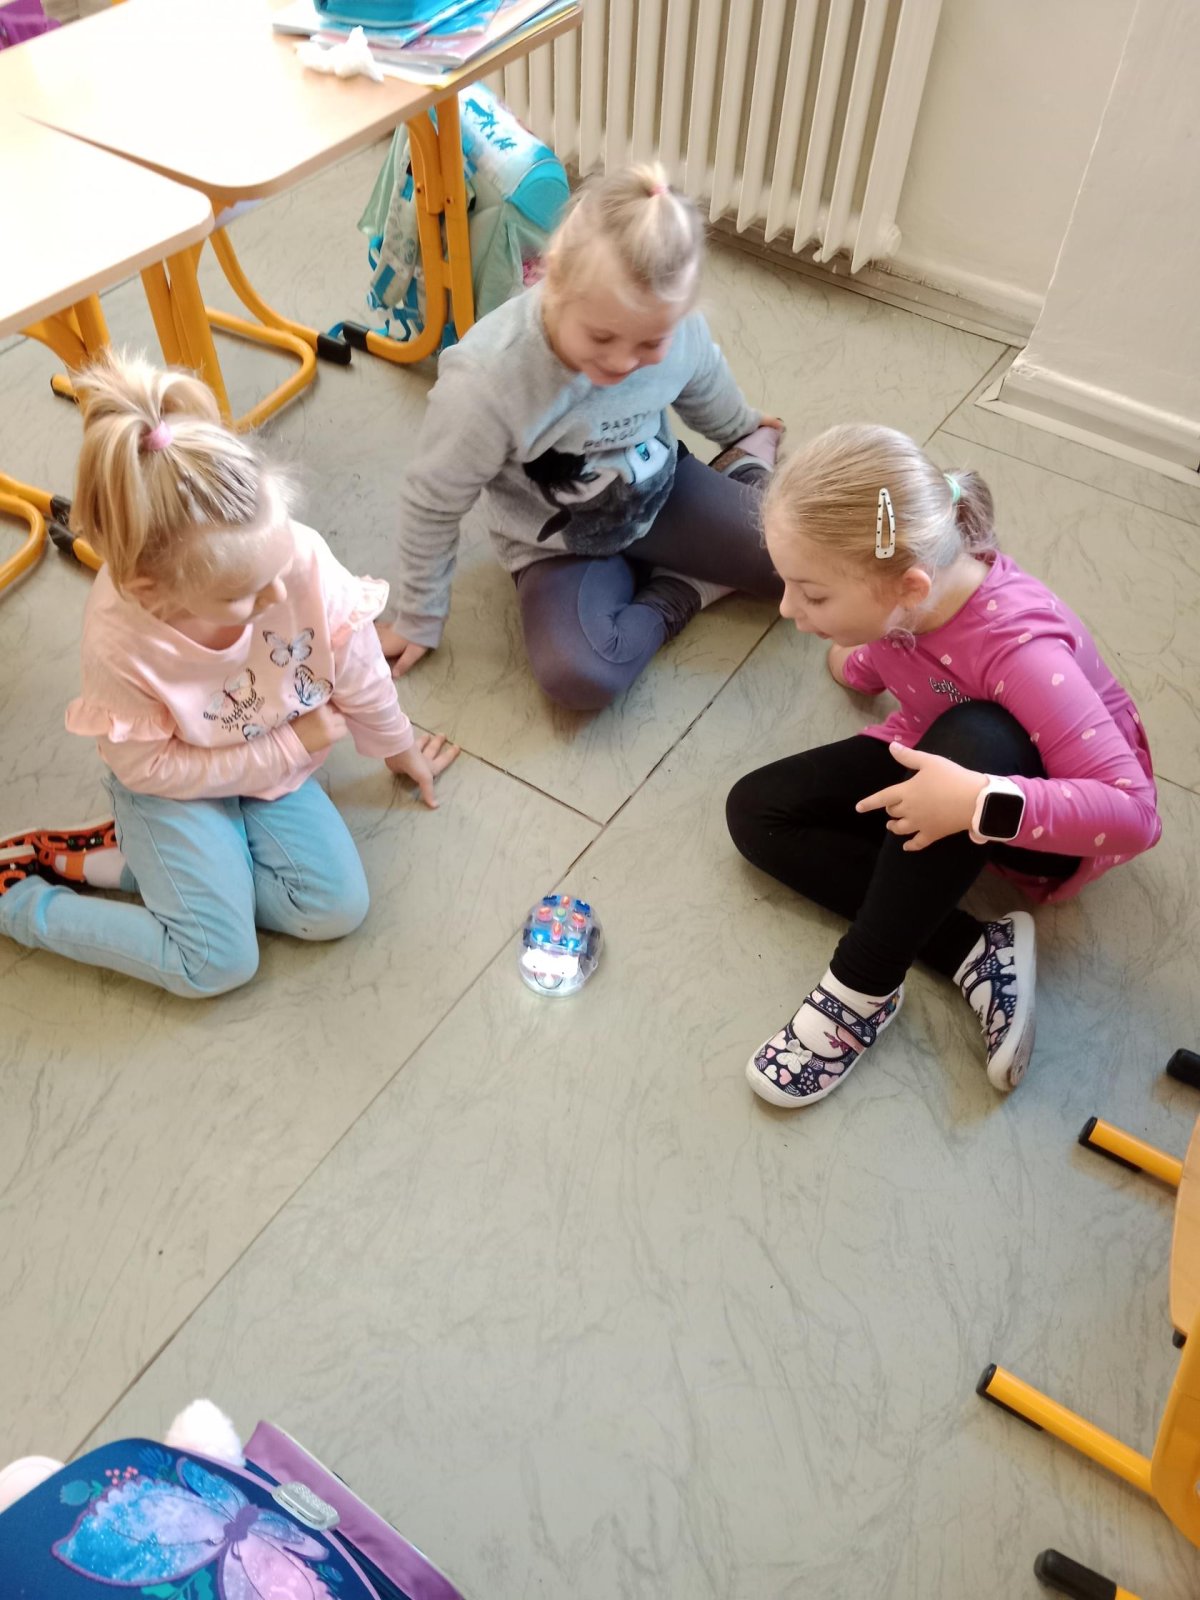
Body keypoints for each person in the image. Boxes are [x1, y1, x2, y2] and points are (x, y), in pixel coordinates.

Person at [726, 423, 1161, 1107]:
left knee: (982, 732)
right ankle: (971, 950)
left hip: (1044, 819)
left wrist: (977, 802)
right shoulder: (907, 604)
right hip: (939, 752)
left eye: (812, 595)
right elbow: (877, 659)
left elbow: (1136, 817)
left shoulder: (1023, 650)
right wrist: (847, 655)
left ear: (909, 585)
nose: (788, 610)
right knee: (757, 810)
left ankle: (862, 988)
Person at [0, 352, 457, 997]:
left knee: (335, 908)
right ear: (154, 594)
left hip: (260, 763)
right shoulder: (120, 640)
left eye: (281, 565)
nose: (281, 596)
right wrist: (286, 750)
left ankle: (148, 869)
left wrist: (396, 744)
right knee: (216, 963)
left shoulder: (295, 558)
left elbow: (356, 663)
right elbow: (150, 768)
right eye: (245, 594)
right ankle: (18, 900)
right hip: (174, 787)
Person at [376, 162, 784, 709]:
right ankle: (679, 589)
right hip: (557, 546)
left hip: (660, 494)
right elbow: (432, 502)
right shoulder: (486, 380)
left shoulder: (675, 323)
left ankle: (743, 473)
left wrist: (741, 429)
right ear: (554, 280)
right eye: (601, 337)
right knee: (579, 675)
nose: (622, 362)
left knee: (803, 568)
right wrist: (419, 617)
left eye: (649, 343)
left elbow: (701, 375)